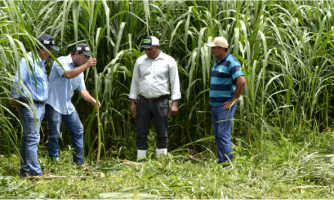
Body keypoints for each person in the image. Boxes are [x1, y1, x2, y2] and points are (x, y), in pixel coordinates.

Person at [11, 34, 59, 178]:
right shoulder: (28, 60)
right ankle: (35, 173)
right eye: (50, 49)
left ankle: (25, 173)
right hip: (30, 105)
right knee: (33, 139)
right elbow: (17, 80)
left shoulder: (40, 63)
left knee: (29, 139)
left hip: (40, 106)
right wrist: (15, 97)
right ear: (44, 48)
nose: (51, 53)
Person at [45, 43, 100, 165]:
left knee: (78, 130)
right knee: (54, 134)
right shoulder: (61, 61)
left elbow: (82, 90)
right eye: (84, 57)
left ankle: (78, 163)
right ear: (76, 53)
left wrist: (92, 100)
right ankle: (55, 163)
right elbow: (68, 74)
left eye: (87, 58)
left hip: (67, 106)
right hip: (53, 104)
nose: (86, 60)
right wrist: (86, 65)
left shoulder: (80, 69)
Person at [129, 36, 181, 159]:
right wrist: (132, 102)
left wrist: (174, 103)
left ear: (157, 47)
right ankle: (141, 161)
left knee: (162, 132)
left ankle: (161, 161)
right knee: (141, 132)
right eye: (145, 50)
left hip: (161, 102)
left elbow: (175, 82)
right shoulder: (140, 61)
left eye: (149, 49)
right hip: (143, 102)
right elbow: (135, 82)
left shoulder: (169, 61)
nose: (147, 52)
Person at [205, 37, 246, 167]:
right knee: (218, 134)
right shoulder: (217, 62)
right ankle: (222, 162)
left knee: (223, 135)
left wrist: (233, 100)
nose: (212, 50)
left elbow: (241, 81)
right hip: (215, 105)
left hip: (224, 105)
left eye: (214, 48)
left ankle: (228, 165)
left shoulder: (231, 62)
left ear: (221, 49)